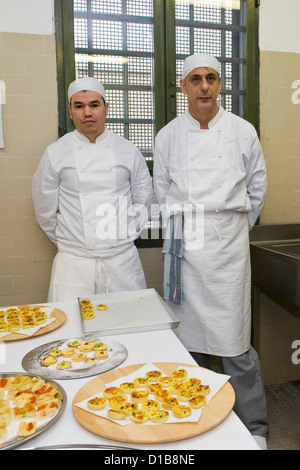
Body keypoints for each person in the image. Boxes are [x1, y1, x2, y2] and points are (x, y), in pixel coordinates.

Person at [153, 54, 269, 449]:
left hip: (229, 247)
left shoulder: (242, 130)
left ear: (220, 84)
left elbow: (257, 188)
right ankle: (198, 422)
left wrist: (231, 229)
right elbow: (160, 190)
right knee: (191, 343)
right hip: (185, 245)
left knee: (236, 344)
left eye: (212, 78)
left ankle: (255, 427)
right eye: (195, 79)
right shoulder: (167, 135)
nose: (204, 86)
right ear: (182, 86)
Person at [32, 77, 153, 302]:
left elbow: (143, 201)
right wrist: (74, 243)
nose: (87, 112)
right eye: (79, 106)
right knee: (72, 332)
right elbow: (45, 212)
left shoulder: (128, 151)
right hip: (74, 266)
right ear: (70, 111)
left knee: (128, 329)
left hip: (121, 263)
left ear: (106, 108)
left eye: (94, 105)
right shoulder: (55, 153)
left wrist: (120, 239)